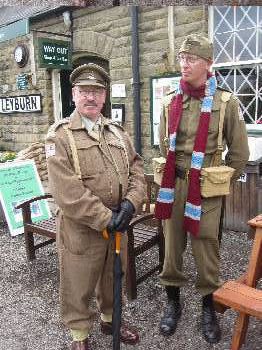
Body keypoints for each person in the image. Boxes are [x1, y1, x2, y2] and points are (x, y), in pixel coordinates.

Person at [155, 34, 249, 344]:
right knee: (171, 244)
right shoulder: (170, 102)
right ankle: (173, 301)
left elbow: (239, 154)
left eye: (191, 59)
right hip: (175, 183)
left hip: (205, 186)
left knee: (207, 246)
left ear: (207, 64)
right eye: (182, 58)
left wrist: (219, 183)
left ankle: (209, 306)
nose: (184, 64)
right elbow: (162, 144)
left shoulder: (226, 101)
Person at [45, 63, 145, 350]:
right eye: (85, 91)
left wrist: (131, 203)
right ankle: (80, 336)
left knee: (114, 275)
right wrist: (105, 217)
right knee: (78, 282)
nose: (91, 98)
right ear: (74, 94)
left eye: (97, 92)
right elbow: (66, 191)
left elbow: (136, 166)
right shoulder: (60, 136)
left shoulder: (116, 131)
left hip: (119, 221)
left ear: (104, 97)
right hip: (82, 227)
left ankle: (110, 319)